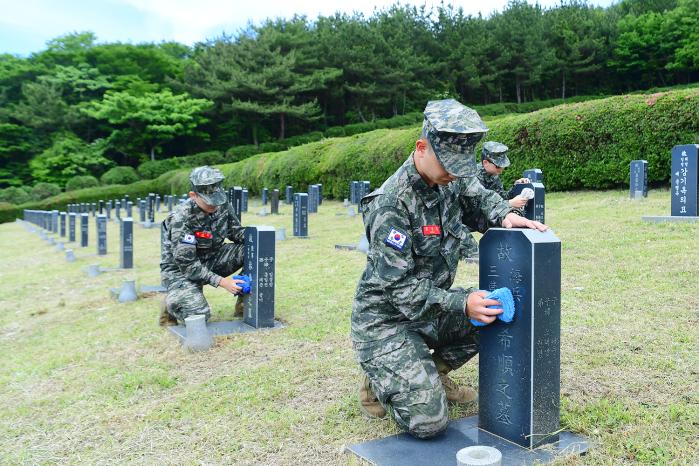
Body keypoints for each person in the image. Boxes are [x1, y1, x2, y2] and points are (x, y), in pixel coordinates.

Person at [351, 99, 547, 439]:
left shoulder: (450, 177)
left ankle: (433, 373)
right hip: (387, 320)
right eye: (448, 165)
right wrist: (462, 303)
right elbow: (399, 291)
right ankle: (380, 377)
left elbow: (478, 198)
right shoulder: (390, 205)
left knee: (497, 311)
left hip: (431, 308)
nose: (454, 173)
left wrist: (504, 215)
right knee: (429, 422)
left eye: (461, 165)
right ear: (421, 147)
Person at [159, 166, 247, 326]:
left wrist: (260, 236)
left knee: (253, 250)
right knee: (199, 314)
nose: (214, 206)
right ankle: (172, 301)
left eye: (217, 199)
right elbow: (188, 265)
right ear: (193, 196)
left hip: (212, 259)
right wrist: (223, 282)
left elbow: (236, 233)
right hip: (181, 272)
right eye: (209, 202)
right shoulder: (181, 219)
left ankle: (244, 304)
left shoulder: (222, 204)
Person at [477, 141, 530, 209]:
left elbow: (503, 197)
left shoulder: (493, 175)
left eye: (503, 166)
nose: (501, 170)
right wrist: (509, 203)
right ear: (485, 163)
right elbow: (479, 206)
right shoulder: (474, 177)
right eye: (498, 166)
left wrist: (516, 186)